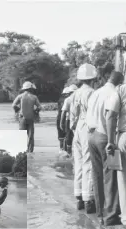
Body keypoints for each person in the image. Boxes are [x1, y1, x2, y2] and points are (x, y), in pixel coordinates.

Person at [87, 71, 124, 226]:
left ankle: (101, 213)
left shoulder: (96, 93)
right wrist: (111, 141)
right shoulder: (115, 92)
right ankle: (111, 216)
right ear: (120, 82)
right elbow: (110, 117)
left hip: (92, 136)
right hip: (105, 137)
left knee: (97, 176)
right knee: (111, 178)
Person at [71, 63, 97, 214]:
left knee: (79, 163)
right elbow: (93, 114)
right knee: (88, 163)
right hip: (87, 127)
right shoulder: (92, 93)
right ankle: (89, 200)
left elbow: (73, 116)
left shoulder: (75, 93)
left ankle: (79, 197)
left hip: (78, 129)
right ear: (93, 77)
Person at [105, 83, 126, 226]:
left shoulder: (121, 90)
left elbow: (111, 115)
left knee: (123, 179)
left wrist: (110, 141)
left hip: (124, 136)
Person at [12, 81, 42, 153]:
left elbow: (13, 105)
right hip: (30, 118)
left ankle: (22, 152)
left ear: (24, 89)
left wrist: (17, 111)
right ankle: (30, 152)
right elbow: (40, 107)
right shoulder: (34, 97)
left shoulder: (20, 96)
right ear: (30, 88)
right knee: (30, 136)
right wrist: (35, 111)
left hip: (22, 118)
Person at [60, 84, 78, 156]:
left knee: (69, 136)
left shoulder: (68, 99)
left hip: (69, 120)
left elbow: (63, 112)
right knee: (76, 136)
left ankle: (69, 153)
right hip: (77, 121)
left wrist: (61, 123)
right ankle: (75, 153)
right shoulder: (78, 98)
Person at [57, 87, 70, 153]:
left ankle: (61, 149)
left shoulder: (60, 100)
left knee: (61, 136)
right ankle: (65, 150)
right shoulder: (67, 100)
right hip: (65, 119)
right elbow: (64, 111)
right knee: (67, 135)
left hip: (59, 118)